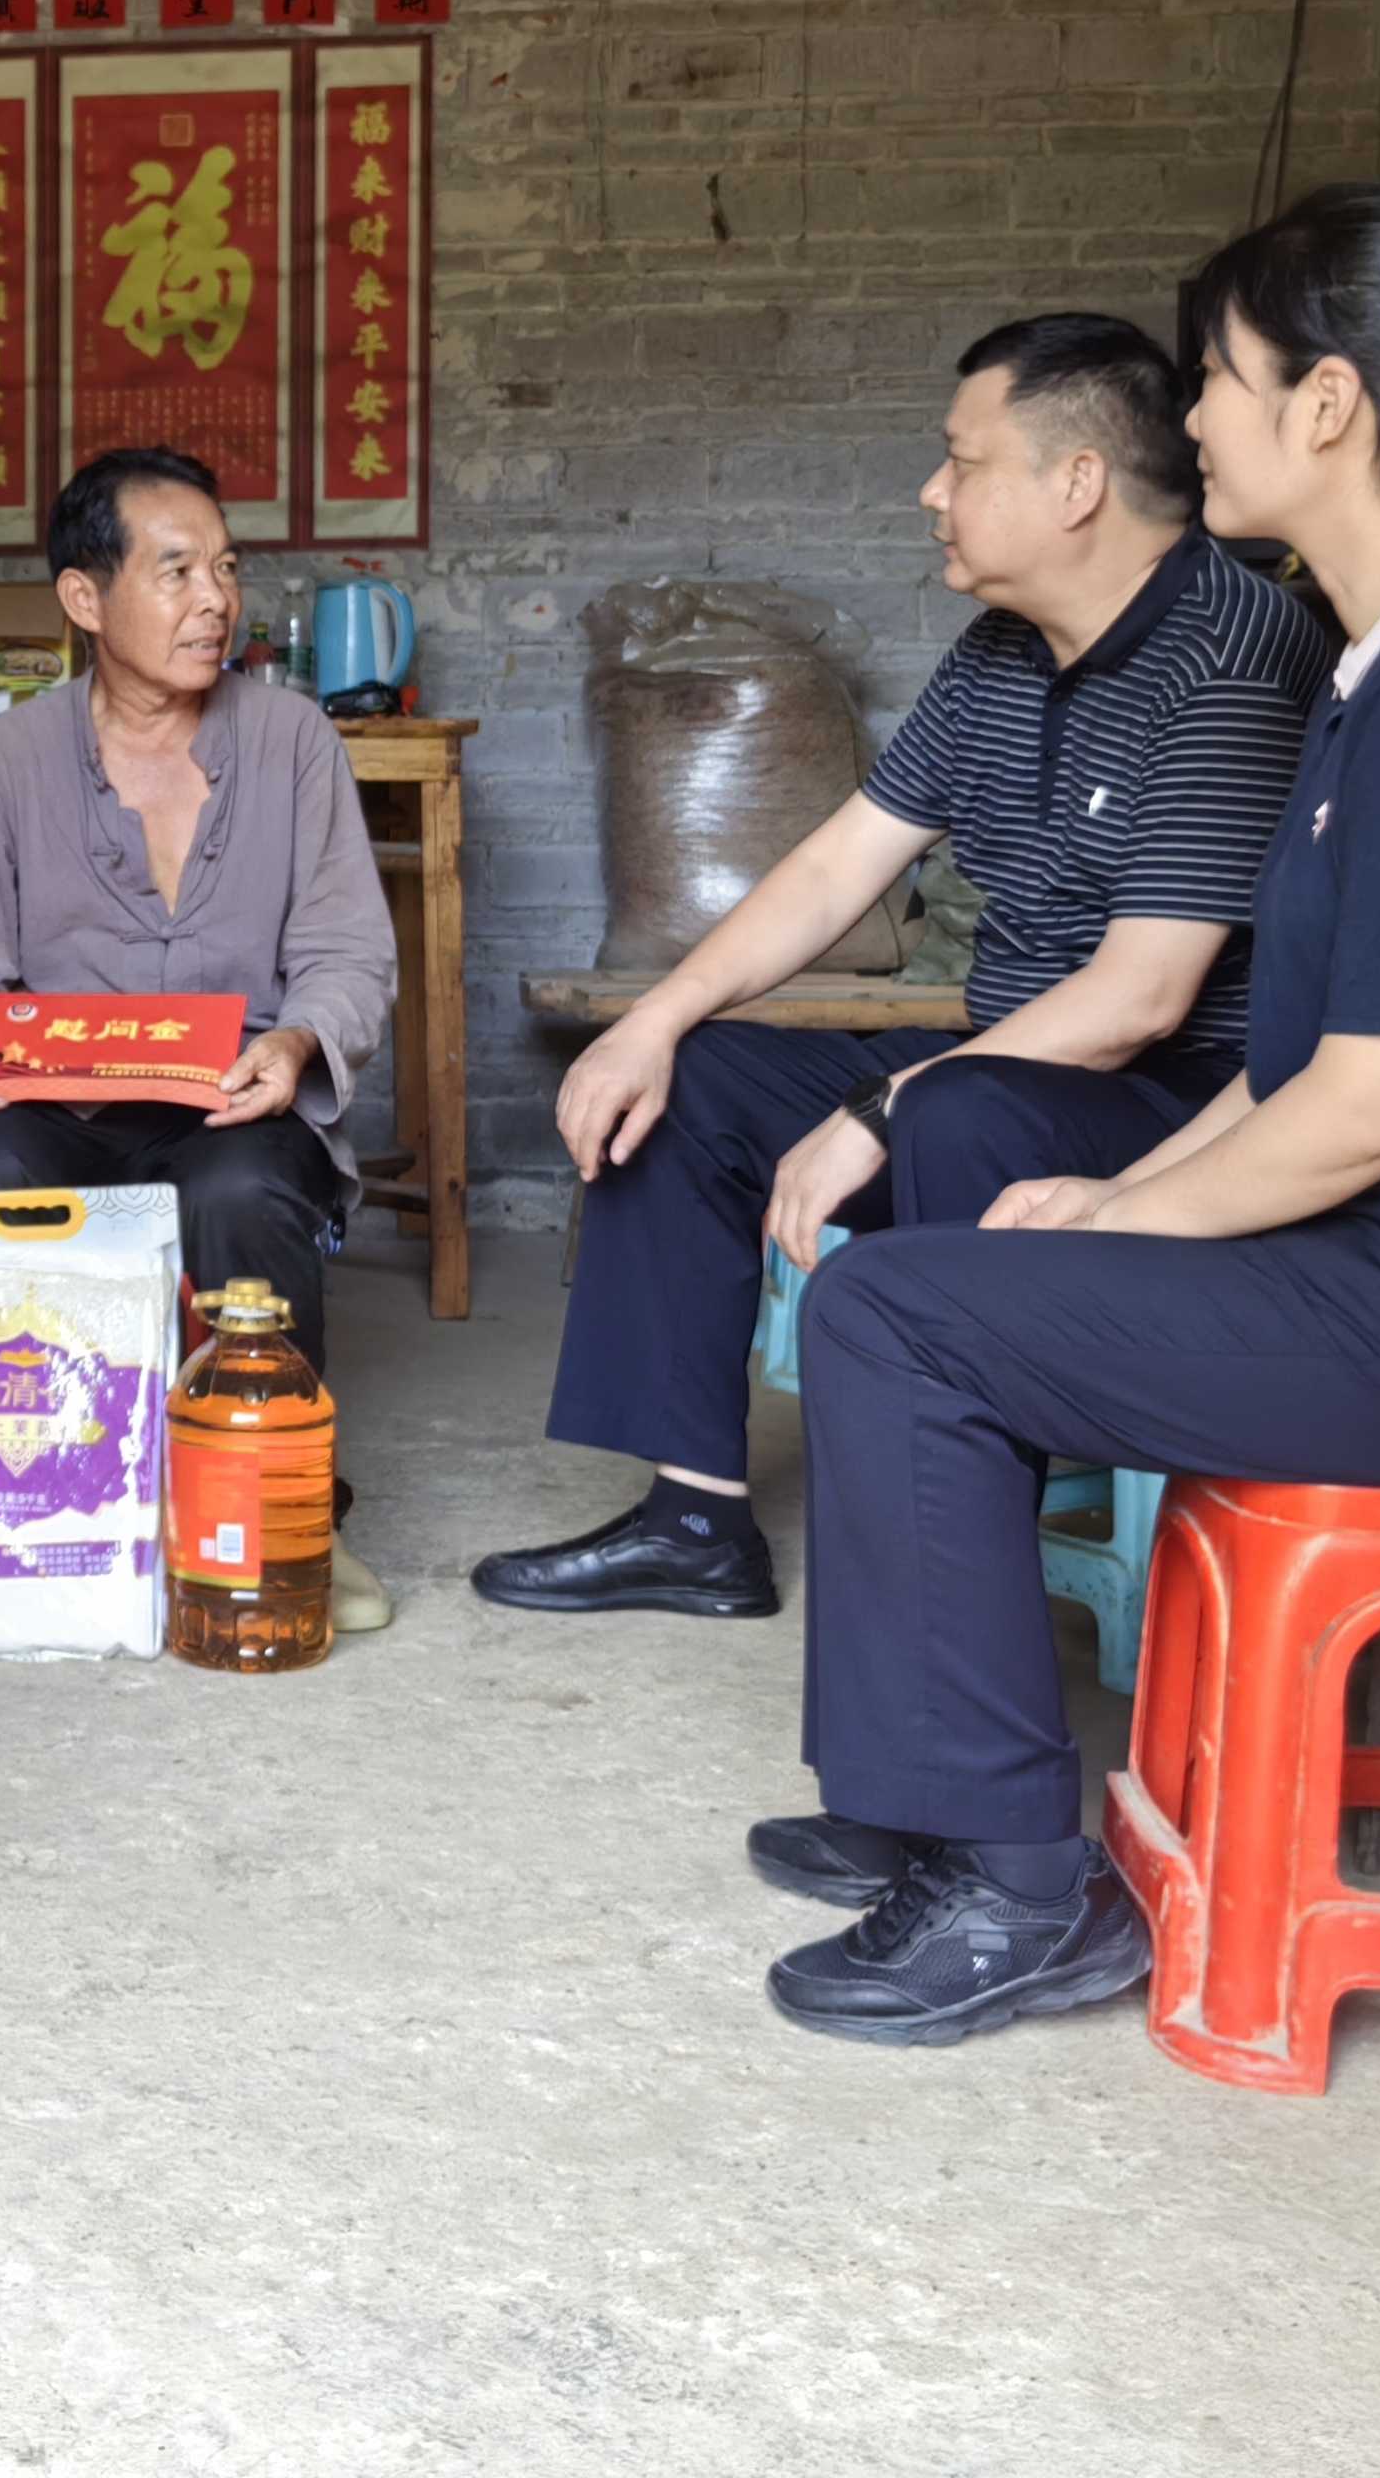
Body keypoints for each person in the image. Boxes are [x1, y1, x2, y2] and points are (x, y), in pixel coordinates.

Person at [752, 181, 1380, 2045]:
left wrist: (1124, 1217)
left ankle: (1016, 1886)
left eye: (1213, 376)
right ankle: (931, 1794)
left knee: (899, 1317)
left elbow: (1371, 1110)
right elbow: (1290, 1075)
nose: (1192, 417)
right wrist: (1115, 1191)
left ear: (1328, 406)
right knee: (972, 1226)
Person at [475, 314, 1333, 1625]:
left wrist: (883, 1107)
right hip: (1005, 1057)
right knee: (687, 1080)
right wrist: (654, 1017)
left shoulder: (1231, 656)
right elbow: (838, 865)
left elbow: (1142, 1000)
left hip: (1180, 1098)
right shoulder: (999, 653)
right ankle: (695, 1520)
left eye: (961, 462)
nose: (933, 492)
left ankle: (946, 1547)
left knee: (958, 1108)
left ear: (1077, 483)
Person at [0, 448, 400, 1625]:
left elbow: (348, 952)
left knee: (241, 1191)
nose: (214, 600)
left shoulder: (292, 743)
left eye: (223, 569)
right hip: (57, 1105)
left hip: (233, 1103)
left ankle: (287, 1514)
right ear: (85, 598)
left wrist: (297, 1044)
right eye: (176, 573)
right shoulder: (7, 761)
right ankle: (19, 1515)